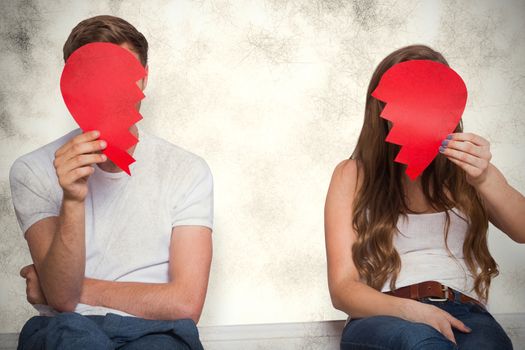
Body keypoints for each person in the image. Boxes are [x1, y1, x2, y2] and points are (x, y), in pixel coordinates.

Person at [10, 15, 213, 350]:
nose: (110, 93)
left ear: (143, 81)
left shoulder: (186, 170)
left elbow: (185, 304)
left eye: (123, 76)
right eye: (96, 79)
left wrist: (69, 287)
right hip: (67, 328)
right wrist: (72, 197)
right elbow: (62, 302)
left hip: (156, 332)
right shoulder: (32, 170)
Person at [324, 45, 523, 350]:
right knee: (422, 343)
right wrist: (412, 311)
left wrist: (484, 178)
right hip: (386, 313)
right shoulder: (351, 174)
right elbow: (342, 289)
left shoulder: (469, 170)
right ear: (382, 110)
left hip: (466, 311)